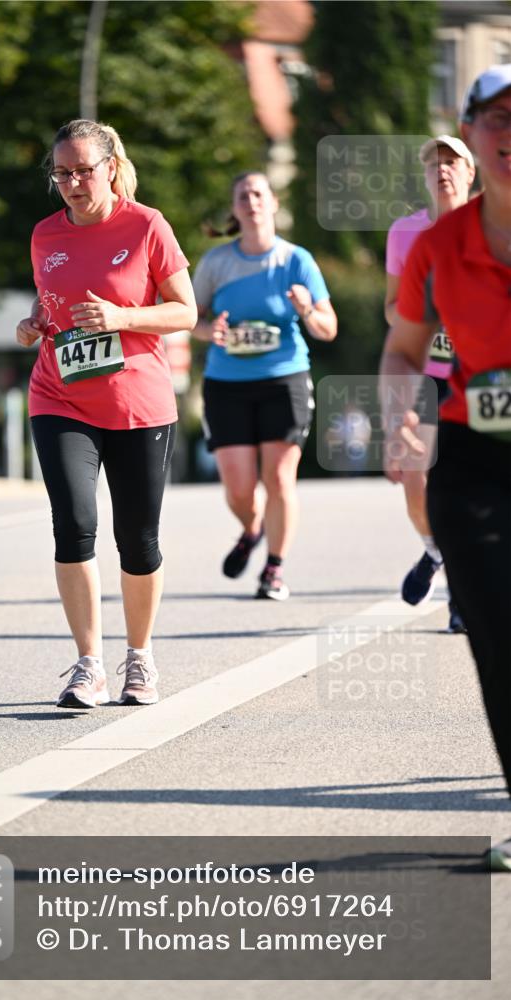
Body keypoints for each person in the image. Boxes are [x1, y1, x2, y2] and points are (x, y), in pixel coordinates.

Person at [16, 119, 196, 709]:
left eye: (82, 170)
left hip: (138, 403)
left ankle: (139, 656)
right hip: (59, 396)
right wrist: (34, 323)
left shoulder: (146, 225)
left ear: (111, 167)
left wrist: (122, 318)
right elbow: (53, 305)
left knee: (138, 540)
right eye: (61, 173)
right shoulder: (44, 234)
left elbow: (184, 312)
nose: (71, 182)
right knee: (73, 525)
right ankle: (88, 664)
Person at [380, 65, 511, 871]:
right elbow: (400, 352)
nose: (509, 134)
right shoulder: (434, 248)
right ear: (468, 134)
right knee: (496, 636)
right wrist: (402, 409)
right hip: (471, 459)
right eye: (495, 118)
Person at [191, 172, 337, 600]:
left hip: (284, 378)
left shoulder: (297, 261)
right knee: (238, 488)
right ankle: (251, 529)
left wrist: (308, 310)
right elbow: (190, 318)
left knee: (278, 478)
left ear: (273, 203)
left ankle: (273, 568)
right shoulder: (217, 263)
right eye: (243, 195)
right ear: (235, 208)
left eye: (258, 193)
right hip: (227, 382)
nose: (251, 201)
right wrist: (209, 330)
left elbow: (328, 328)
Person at [385, 135, 475, 632]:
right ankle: (434, 549)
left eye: (452, 163)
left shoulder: (493, 226)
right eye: (433, 164)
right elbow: (390, 306)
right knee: (417, 482)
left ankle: (462, 596)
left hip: (482, 374)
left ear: (470, 174)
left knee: (470, 483)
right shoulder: (405, 233)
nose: (442, 171)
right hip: (426, 371)